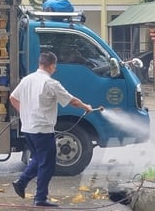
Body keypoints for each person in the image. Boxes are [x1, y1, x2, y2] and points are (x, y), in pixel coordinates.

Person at [9, 51, 94, 207]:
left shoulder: (27, 80)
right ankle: (40, 198)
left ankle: (21, 182)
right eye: (55, 67)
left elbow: (13, 98)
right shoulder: (51, 84)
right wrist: (86, 106)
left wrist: (25, 113)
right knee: (47, 163)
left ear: (40, 63)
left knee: (39, 159)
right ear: (52, 65)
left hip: (28, 128)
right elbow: (71, 100)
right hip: (42, 130)